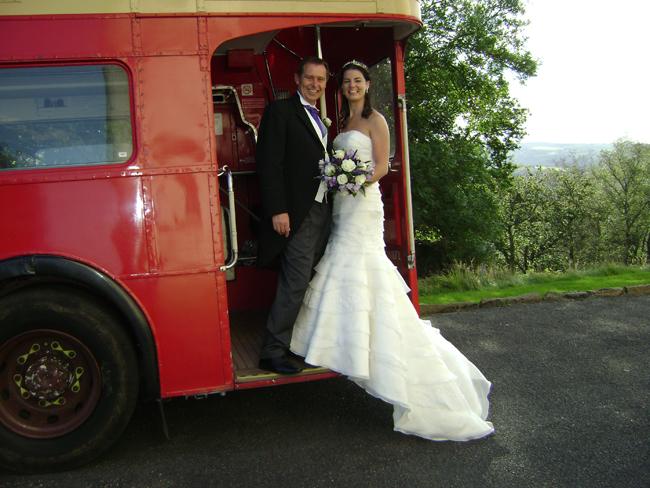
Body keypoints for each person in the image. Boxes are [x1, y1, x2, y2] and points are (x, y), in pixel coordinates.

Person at [290, 61, 494, 441]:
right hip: (342, 204)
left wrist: (352, 180)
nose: (352, 86)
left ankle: (386, 356)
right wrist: (338, 179)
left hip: (363, 203)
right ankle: (351, 345)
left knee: (362, 266)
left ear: (368, 86)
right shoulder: (340, 123)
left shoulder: (376, 120)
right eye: (347, 81)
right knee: (341, 263)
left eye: (358, 81)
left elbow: (383, 165)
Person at [256, 57, 333, 375]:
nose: (315, 84)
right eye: (309, 78)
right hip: (296, 212)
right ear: (297, 78)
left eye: (321, 79)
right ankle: (271, 351)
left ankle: (298, 342)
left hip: (322, 209)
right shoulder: (280, 110)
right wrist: (278, 209)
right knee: (296, 279)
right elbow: (269, 163)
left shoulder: (321, 118)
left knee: (313, 276)